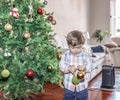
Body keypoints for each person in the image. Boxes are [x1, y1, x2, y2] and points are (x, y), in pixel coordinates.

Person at [59, 30, 92, 100]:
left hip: (82, 86)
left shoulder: (86, 55)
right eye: (73, 48)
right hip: (69, 86)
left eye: (79, 47)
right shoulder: (65, 55)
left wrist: (85, 68)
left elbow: (90, 67)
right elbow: (61, 66)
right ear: (68, 45)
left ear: (82, 45)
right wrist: (68, 68)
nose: (76, 50)